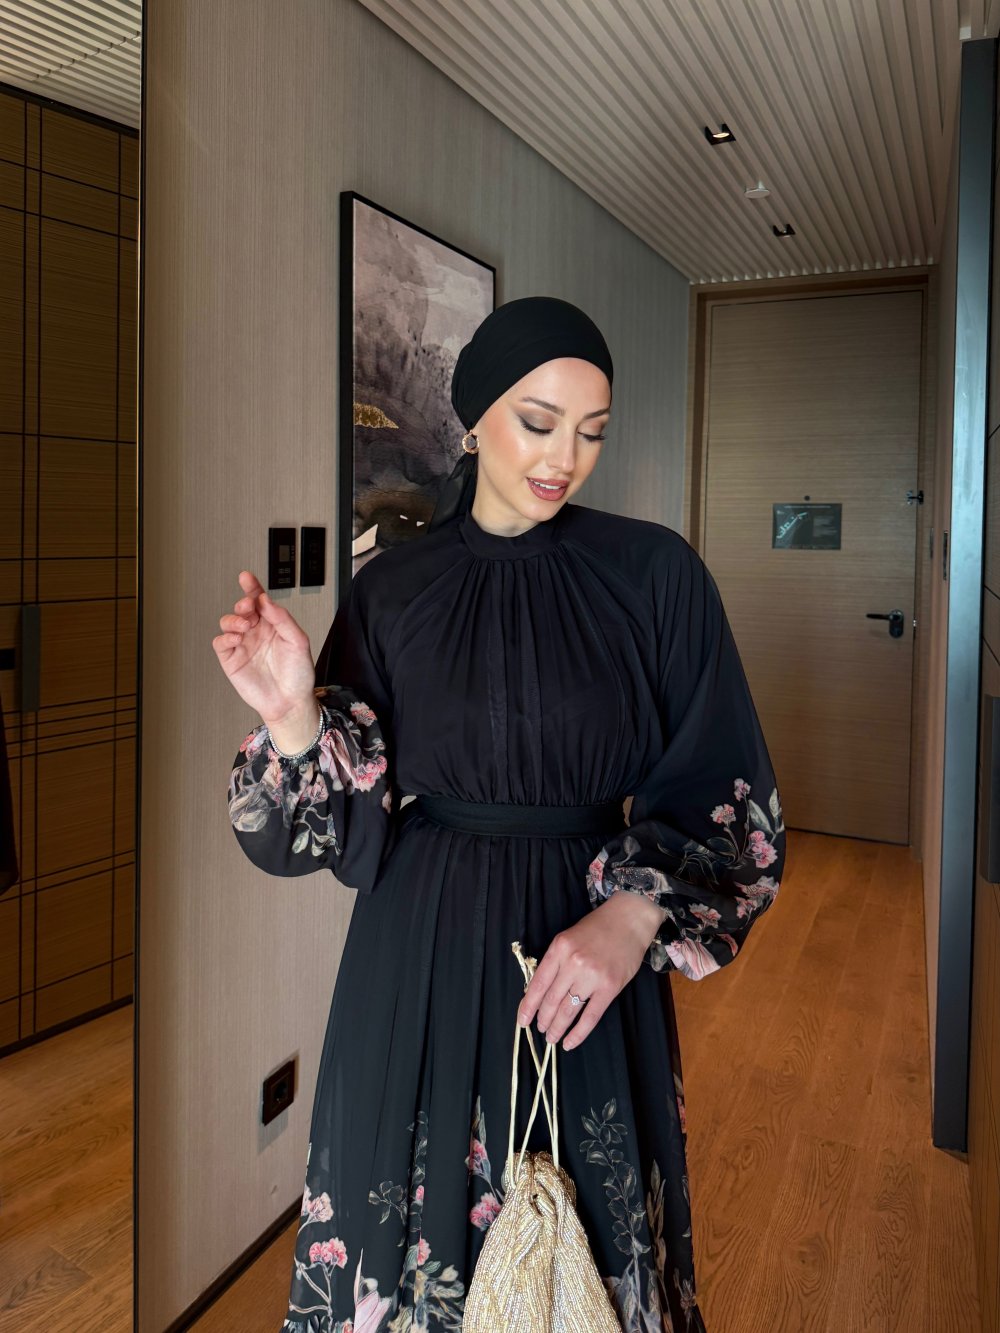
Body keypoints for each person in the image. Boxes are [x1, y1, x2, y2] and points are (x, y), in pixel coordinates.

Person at [213, 295, 785, 1333]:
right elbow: (336, 824)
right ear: (475, 418)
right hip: (415, 955)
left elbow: (726, 788)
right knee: (405, 1242)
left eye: (592, 431)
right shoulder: (393, 590)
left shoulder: (654, 575)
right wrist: (293, 715)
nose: (566, 457)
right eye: (538, 421)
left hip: (586, 967)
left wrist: (634, 916)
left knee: (580, 1253)